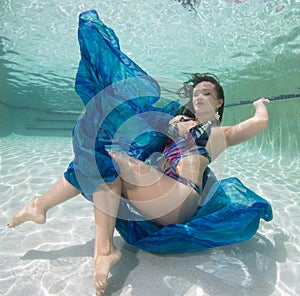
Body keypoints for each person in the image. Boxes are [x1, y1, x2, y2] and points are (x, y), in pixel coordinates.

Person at [8, 10, 272, 295]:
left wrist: (259, 104)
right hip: (157, 198)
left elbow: (258, 123)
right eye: (195, 93)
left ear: (219, 102)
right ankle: (41, 206)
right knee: (98, 160)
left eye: (206, 93)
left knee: (107, 160)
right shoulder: (174, 122)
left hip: (180, 199)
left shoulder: (220, 134)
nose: (198, 96)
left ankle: (102, 248)